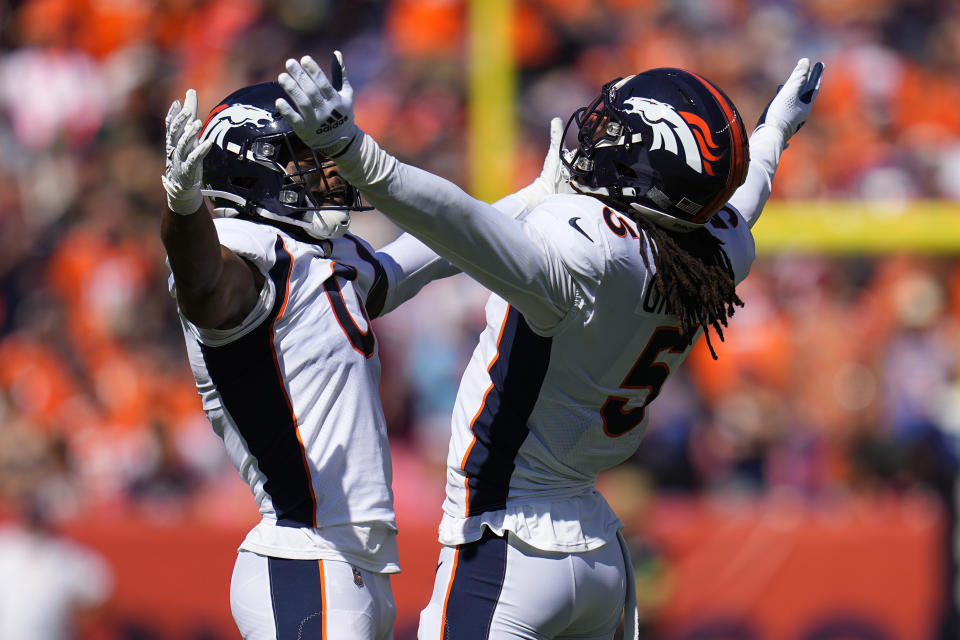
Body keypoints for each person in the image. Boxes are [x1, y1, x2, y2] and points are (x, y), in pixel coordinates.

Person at [274, 53, 822, 639]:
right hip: (600, 553)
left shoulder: (587, 250)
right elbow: (748, 193)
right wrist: (774, 133)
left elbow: (458, 225)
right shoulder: (717, 253)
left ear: (646, 163)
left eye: (616, 131)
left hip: (510, 547)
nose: (594, 133)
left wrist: (356, 151)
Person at [160, 80, 565, 639]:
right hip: (305, 556)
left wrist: (532, 198)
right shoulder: (246, 252)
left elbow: (431, 253)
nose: (330, 172)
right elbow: (204, 287)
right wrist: (184, 213)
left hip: (346, 564)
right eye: (308, 157)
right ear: (256, 169)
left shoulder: (312, 256)